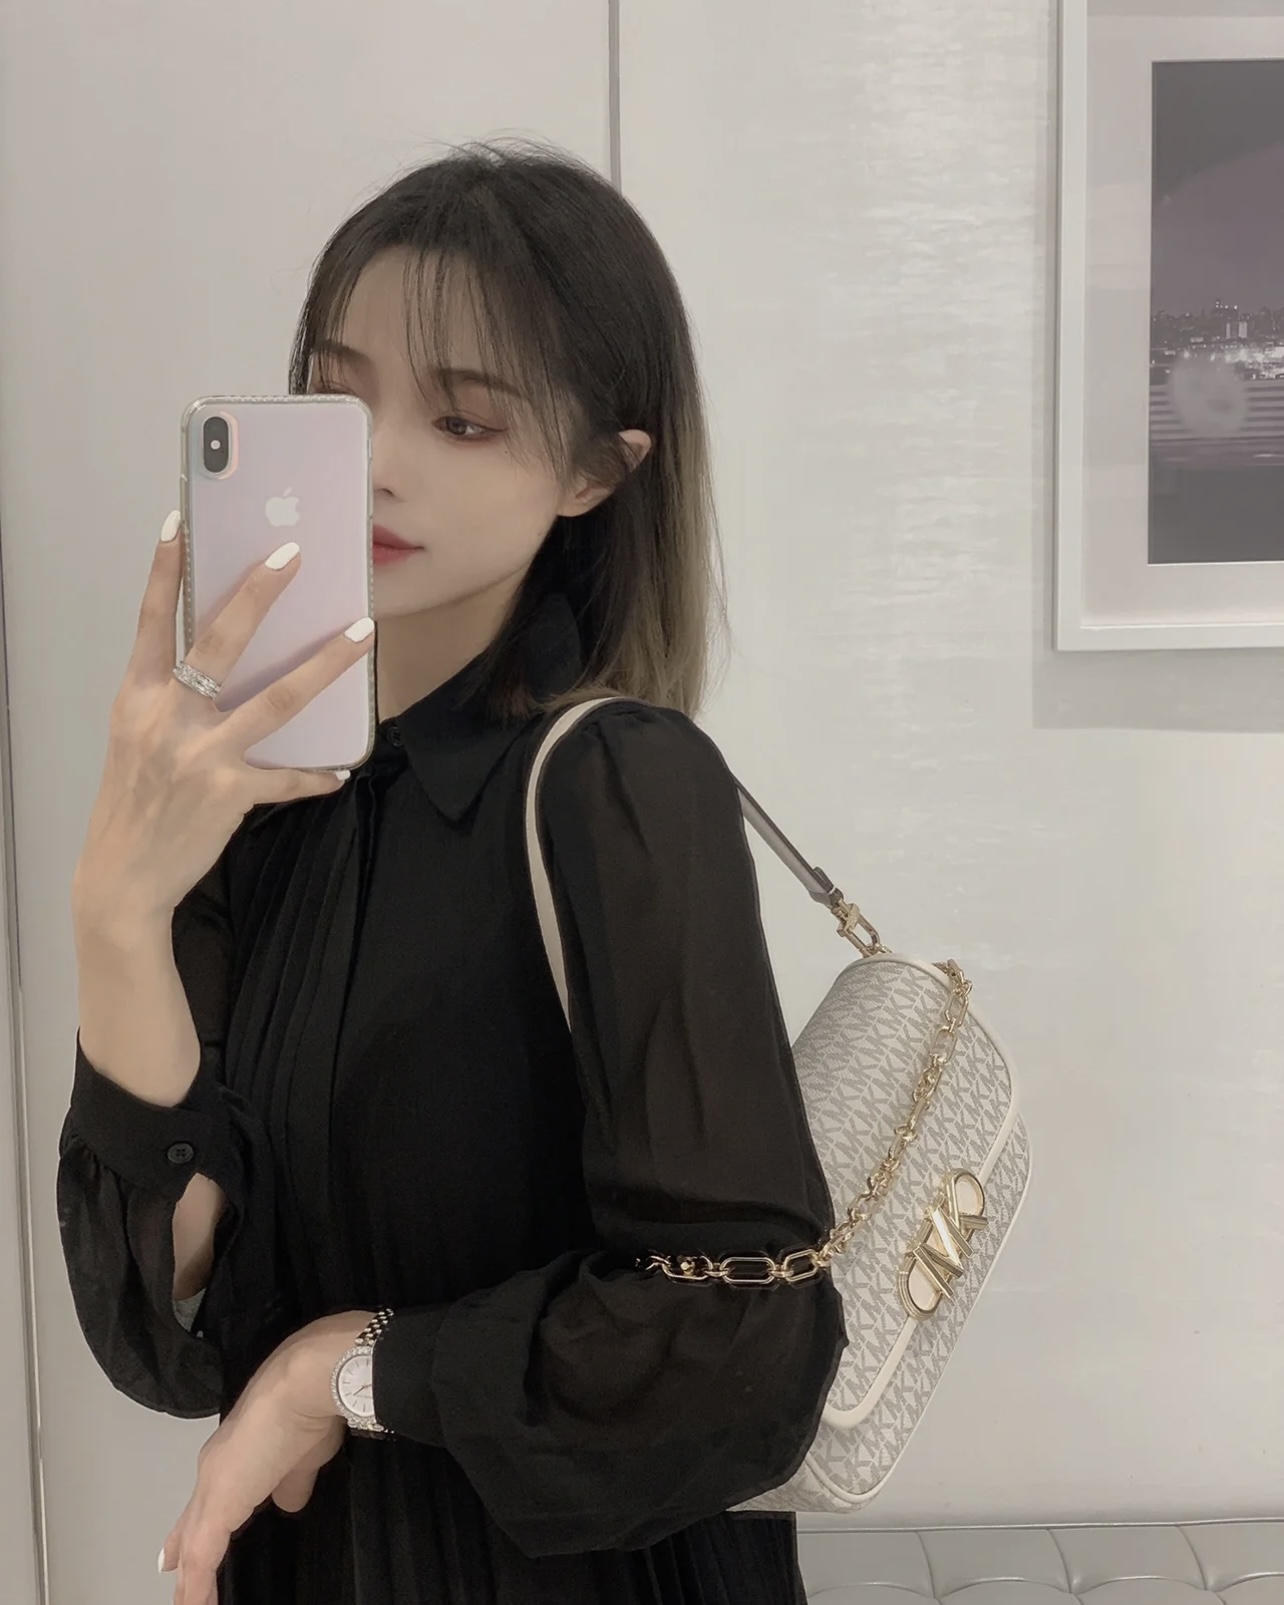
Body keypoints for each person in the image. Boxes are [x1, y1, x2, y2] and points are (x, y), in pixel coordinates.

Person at [58, 140, 847, 1605]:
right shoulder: (260, 806)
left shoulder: (616, 784)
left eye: (464, 418)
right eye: (337, 394)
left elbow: (746, 1338)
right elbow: (171, 1319)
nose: (377, 458)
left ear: (598, 470)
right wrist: (116, 915)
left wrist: (348, 1372)